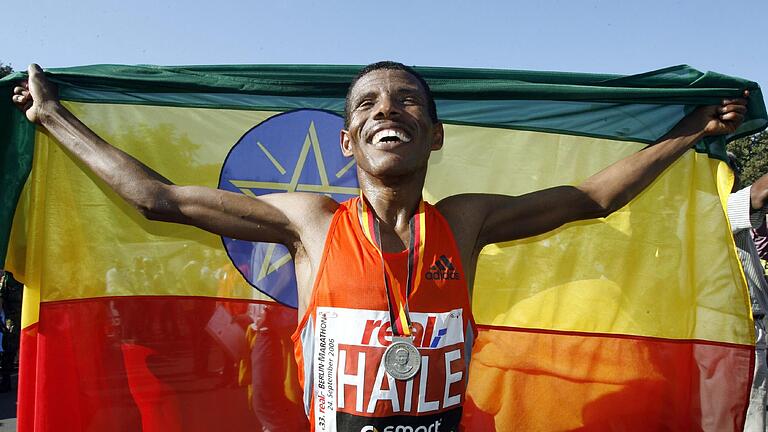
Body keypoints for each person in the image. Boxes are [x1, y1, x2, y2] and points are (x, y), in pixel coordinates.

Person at [12, 62, 748, 431]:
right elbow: (159, 200)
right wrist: (52, 118)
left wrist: (691, 132)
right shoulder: (310, 222)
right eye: (367, 104)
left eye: (406, 103)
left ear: (434, 135)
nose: (386, 111)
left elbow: (592, 199)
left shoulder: (463, 222)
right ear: (347, 140)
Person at [726, 152, 768, 432]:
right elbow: (761, 192)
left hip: (755, 330)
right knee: (750, 414)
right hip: (743, 337)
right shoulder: (719, 210)